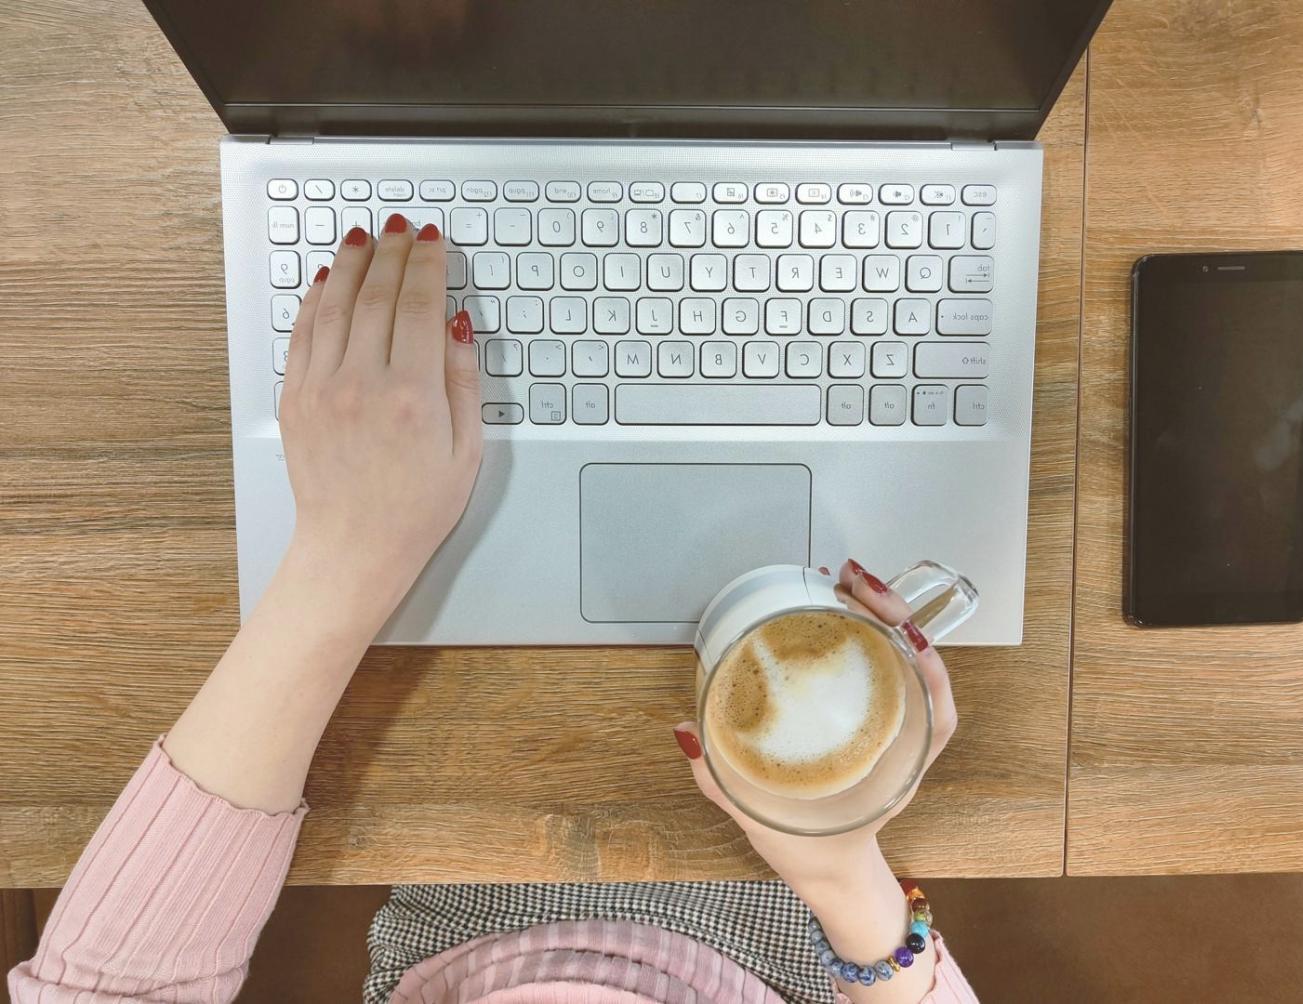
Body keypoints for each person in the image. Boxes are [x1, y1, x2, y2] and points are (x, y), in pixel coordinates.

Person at [8, 215, 977, 1004]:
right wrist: (848, 873)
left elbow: (99, 990)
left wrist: (347, 552)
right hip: (779, 931)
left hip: (459, 928)